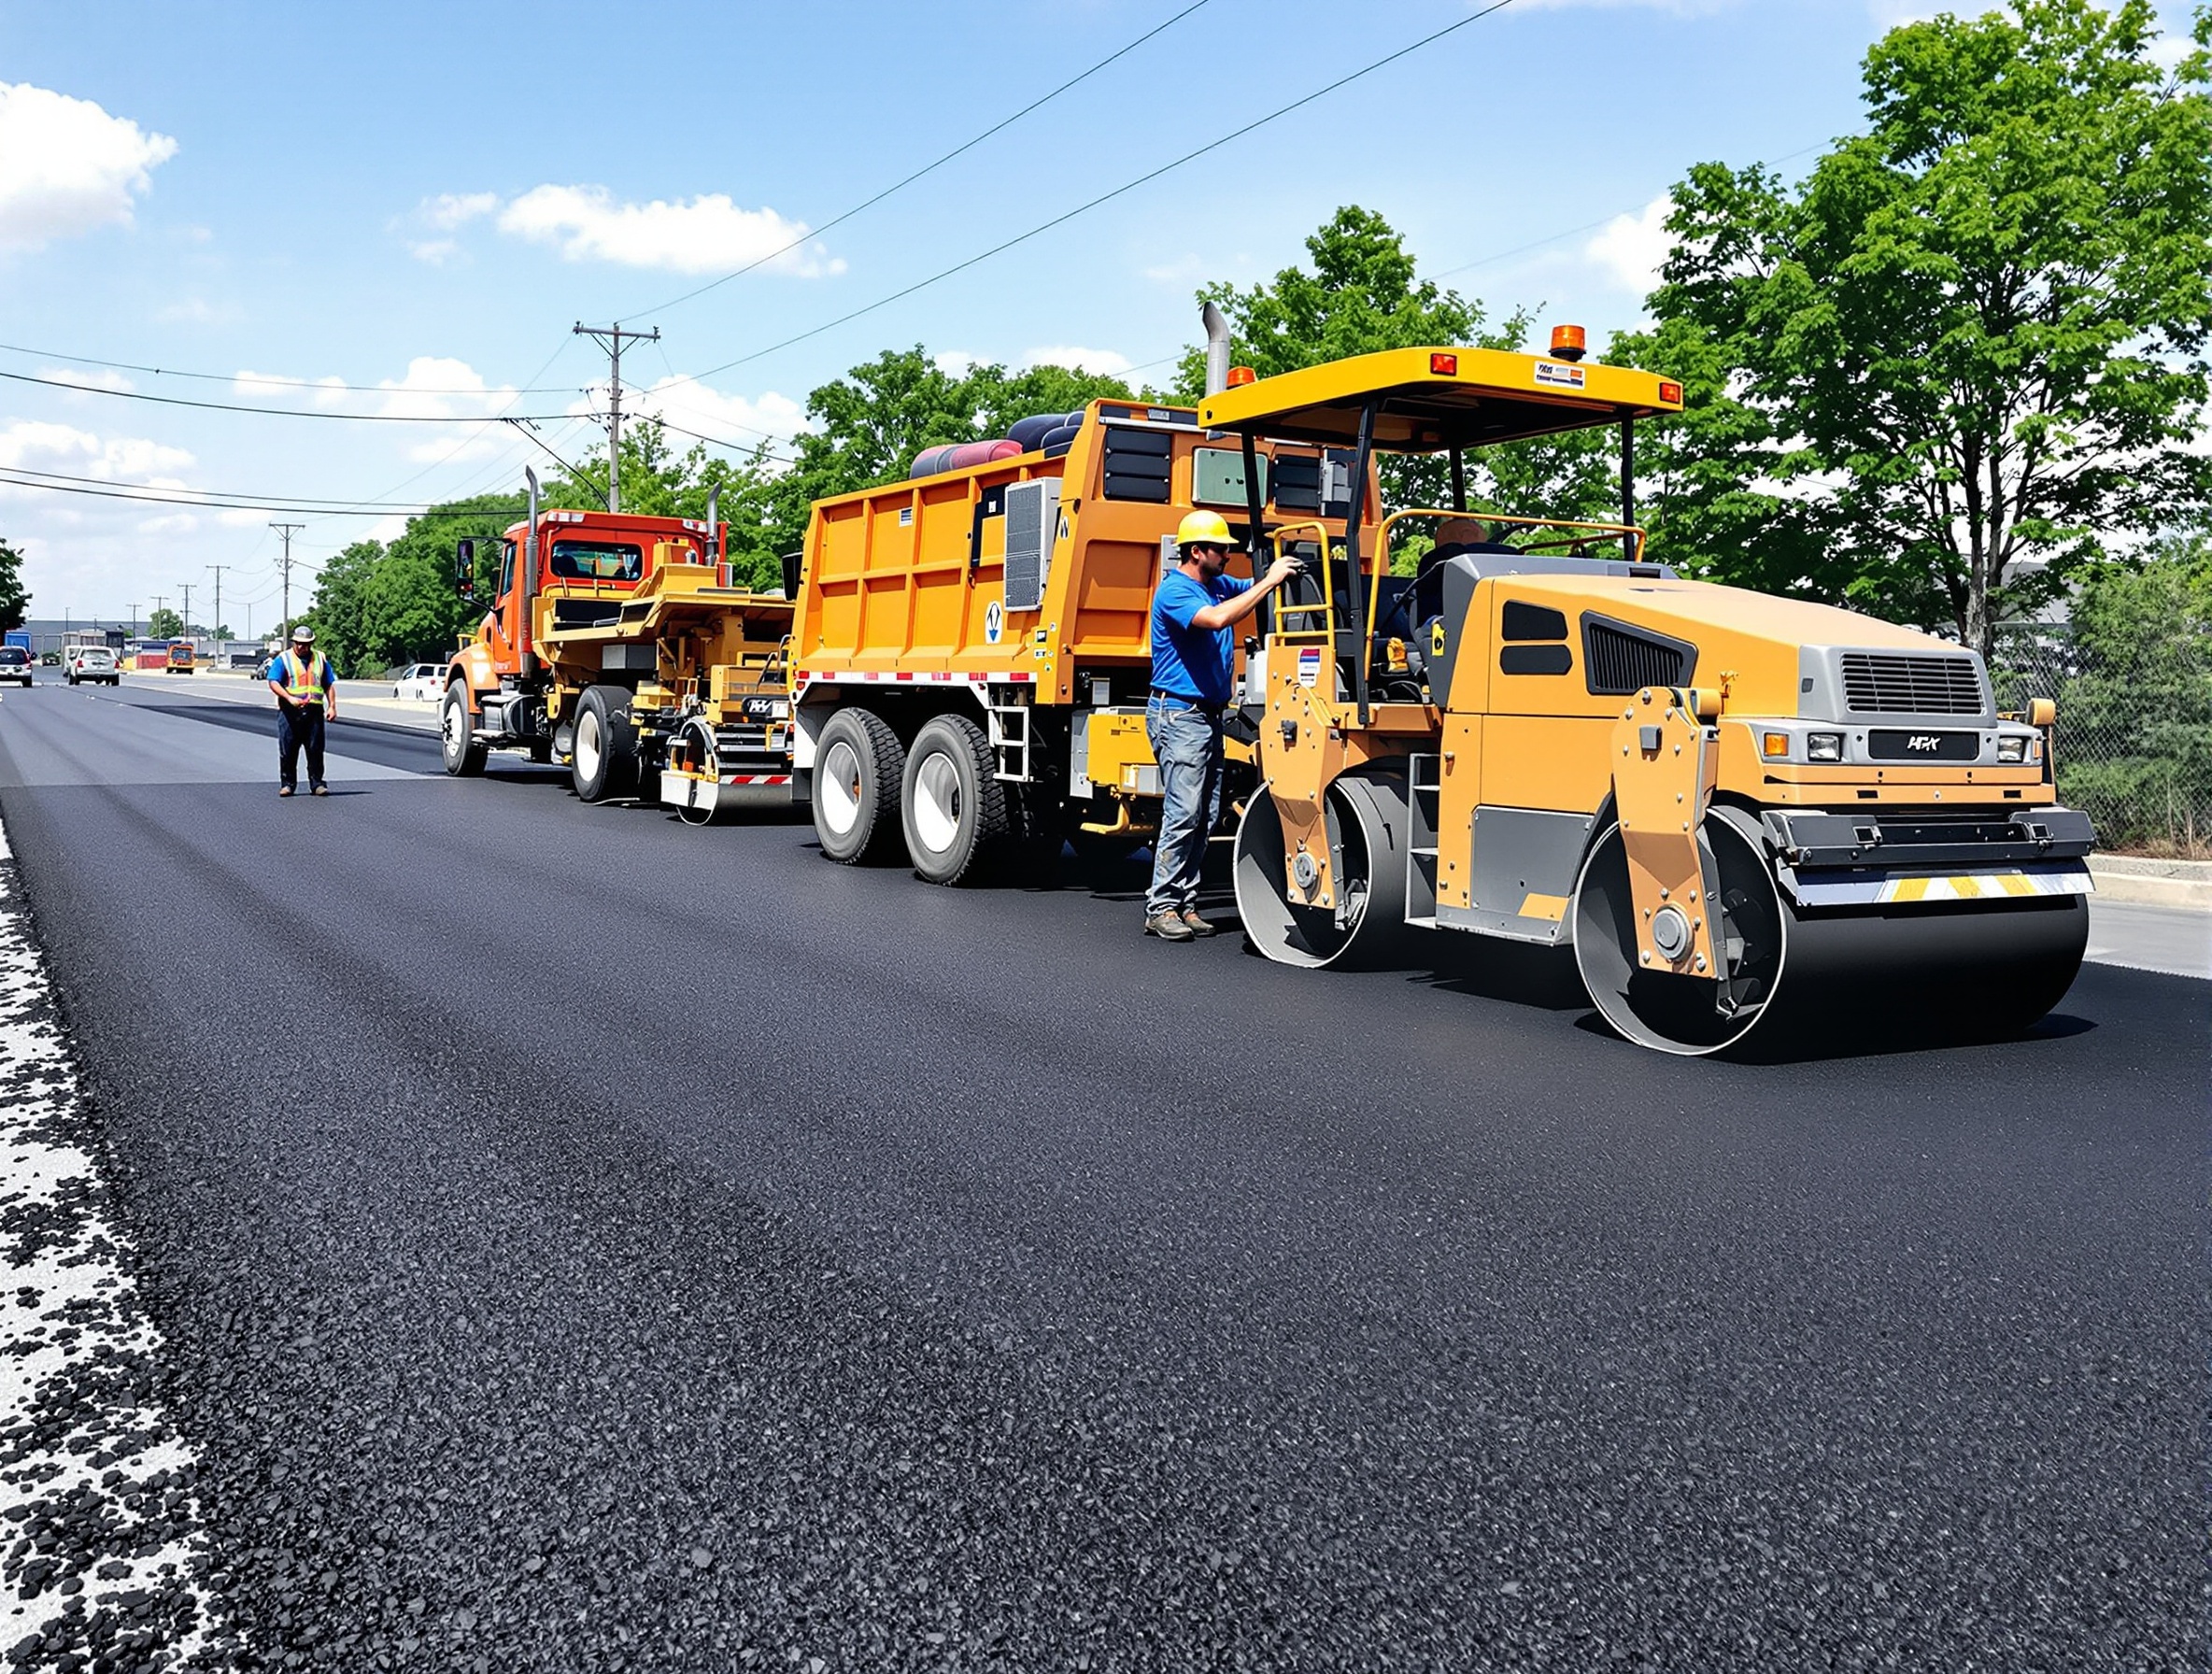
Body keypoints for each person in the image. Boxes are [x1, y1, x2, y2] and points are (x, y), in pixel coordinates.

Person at [1142, 510, 1301, 942]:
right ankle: (1161, 906)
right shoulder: (1176, 592)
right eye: (1222, 549)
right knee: (1184, 812)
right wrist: (1269, 581)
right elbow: (1217, 619)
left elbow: (1248, 592)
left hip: (1205, 715)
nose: (1229, 555)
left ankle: (1184, 901)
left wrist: (1277, 571)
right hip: (1179, 715)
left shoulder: (1214, 584)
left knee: (1205, 814)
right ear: (1197, 552)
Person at [267, 624, 338, 797]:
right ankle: (288, 784)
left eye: (305, 644)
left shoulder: (320, 659)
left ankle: (317, 784)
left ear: (311, 643)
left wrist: (332, 706)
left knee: (315, 748)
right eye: (298, 643)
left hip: (314, 711)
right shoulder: (283, 659)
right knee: (288, 749)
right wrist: (289, 697)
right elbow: (273, 682)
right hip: (290, 711)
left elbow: (328, 683)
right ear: (293, 642)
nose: (301, 647)